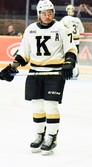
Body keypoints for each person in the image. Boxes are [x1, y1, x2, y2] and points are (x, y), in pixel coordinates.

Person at [0, 0, 77, 155]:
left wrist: (69, 63)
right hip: (35, 73)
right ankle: (40, 134)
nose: (47, 16)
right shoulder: (30, 30)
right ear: (39, 14)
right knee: (37, 107)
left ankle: (51, 136)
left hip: (54, 73)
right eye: (43, 13)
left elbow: (70, 49)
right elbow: (23, 54)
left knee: (50, 106)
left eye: (49, 13)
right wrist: (11, 68)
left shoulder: (62, 28)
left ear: (53, 13)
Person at [60, 4, 85, 78]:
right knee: (74, 58)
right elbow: (82, 31)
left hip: (68, 41)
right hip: (76, 42)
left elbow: (59, 28)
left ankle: (68, 73)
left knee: (67, 57)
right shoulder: (78, 20)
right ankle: (75, 73)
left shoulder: (65, 19)